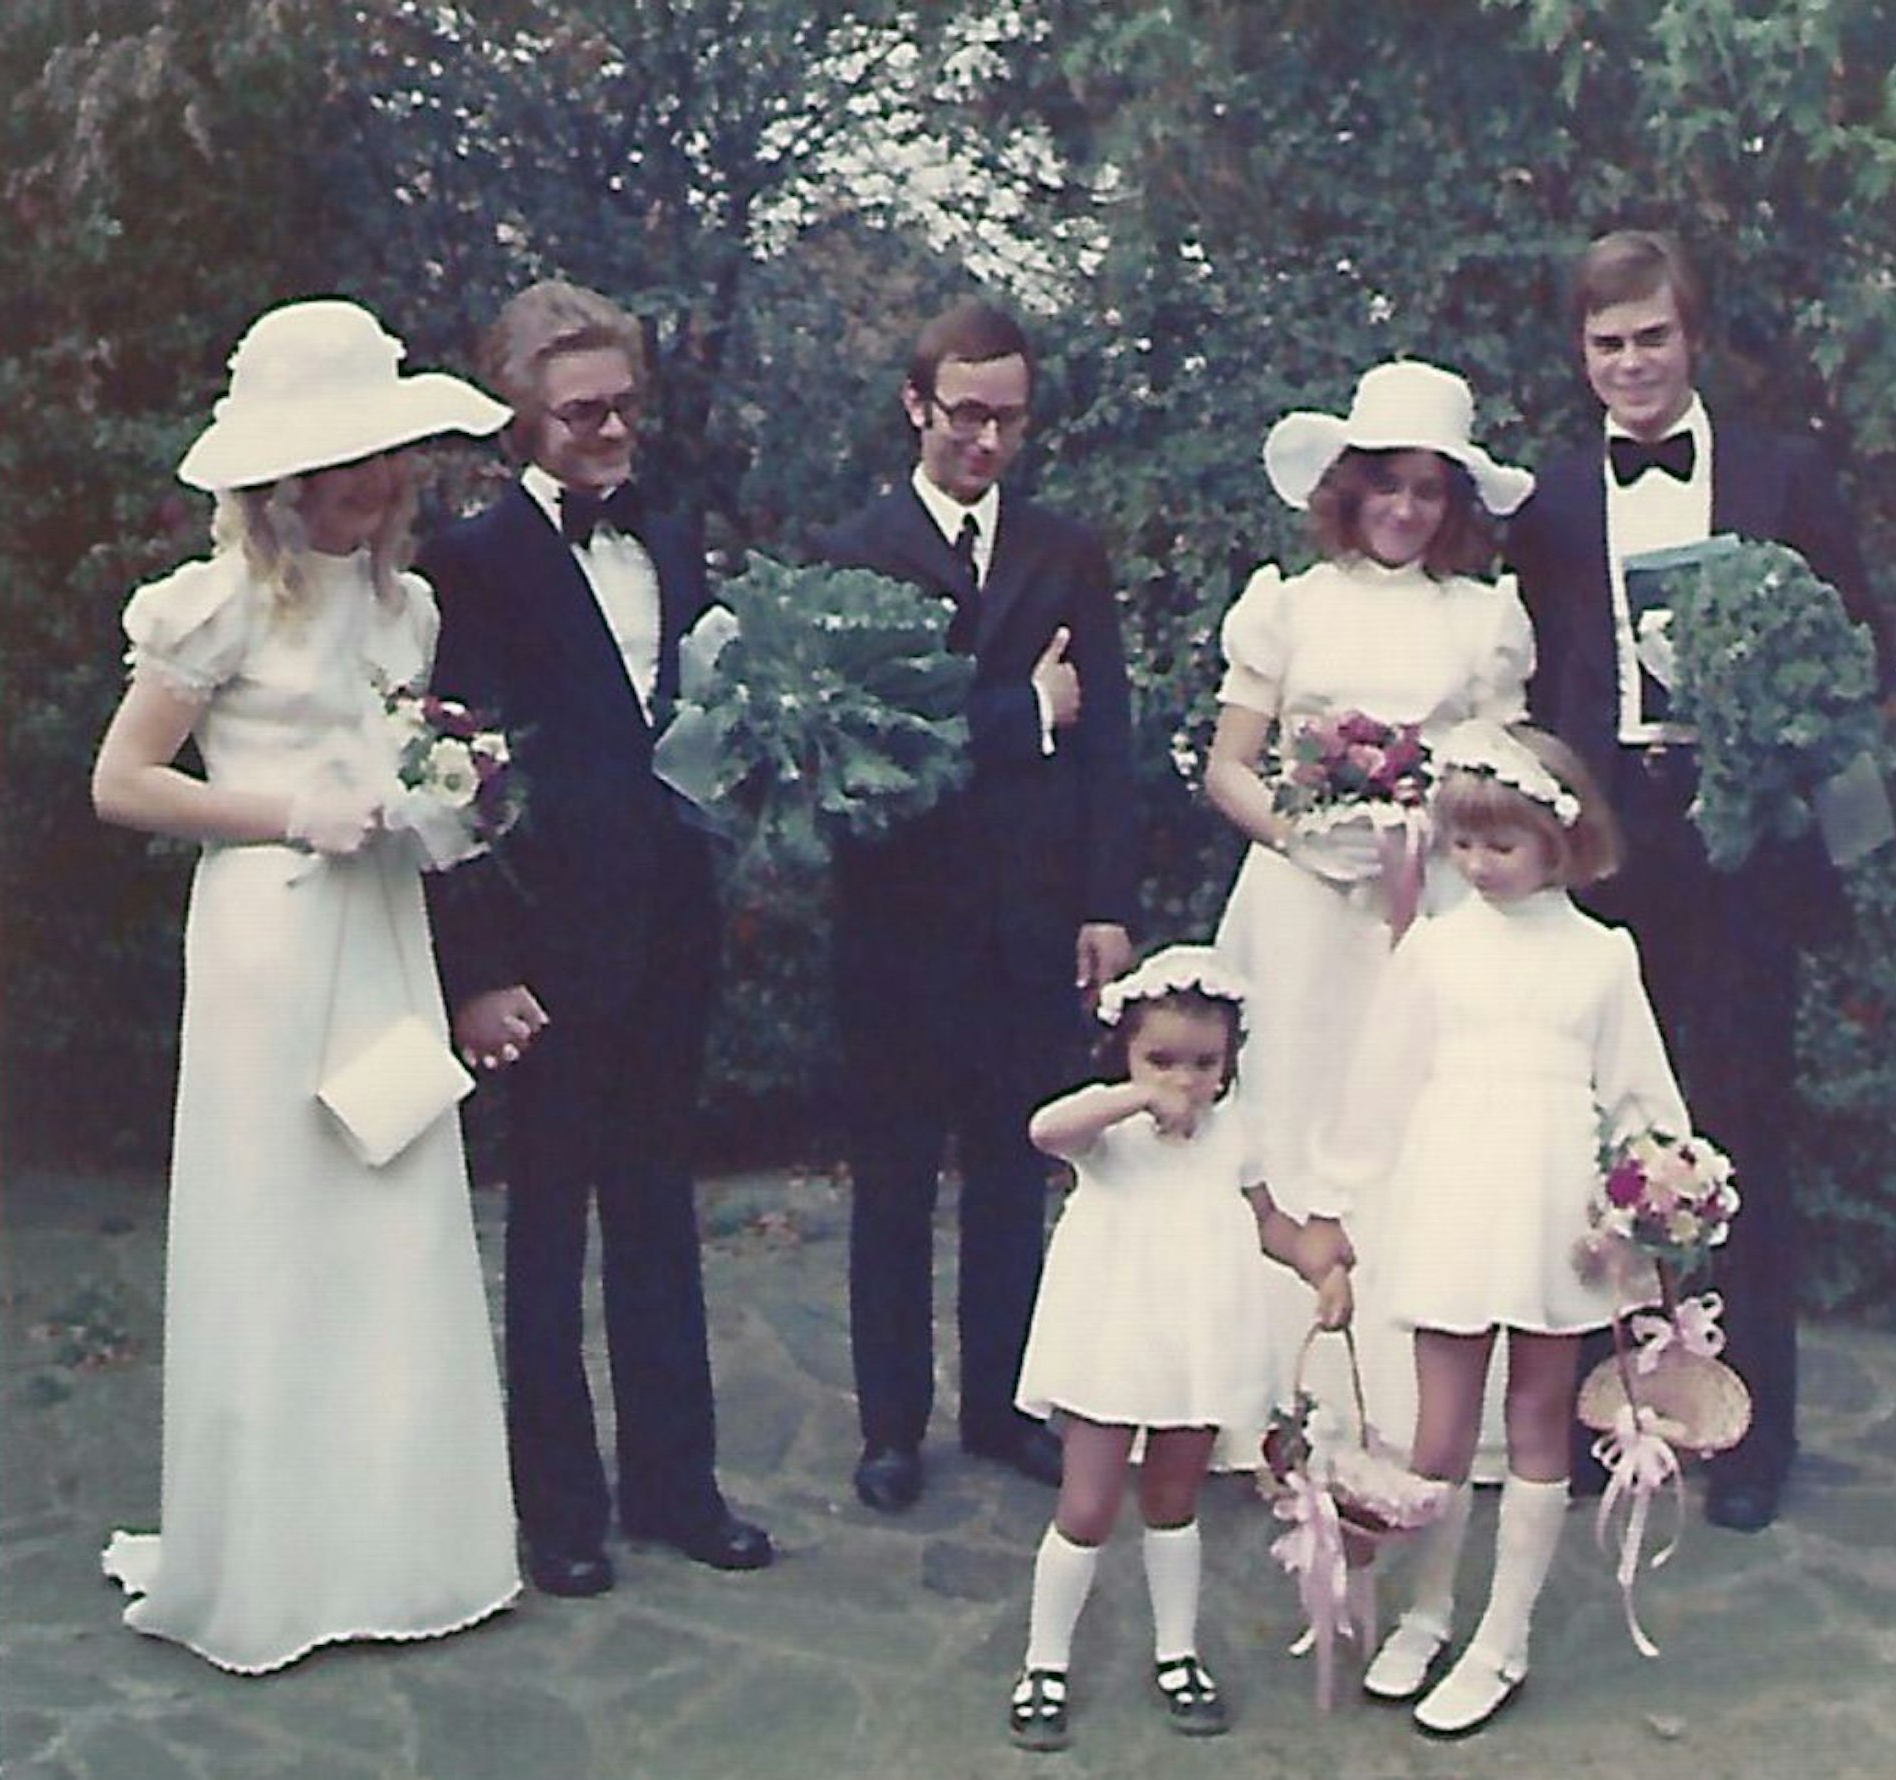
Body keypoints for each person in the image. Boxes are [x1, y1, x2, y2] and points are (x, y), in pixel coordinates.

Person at [90, 298, 521, 1672]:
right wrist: (287, 813)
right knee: (282, 1219)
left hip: (383, 929)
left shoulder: (412, 608)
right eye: (348, 468)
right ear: (280, 479)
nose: (376, 490)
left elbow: (401, 763)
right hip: (272, 940)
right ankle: (270, 1558)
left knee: (390, 1209)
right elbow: (122, 784)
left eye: (387, 463)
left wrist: (446, 799)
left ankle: (402, 1547)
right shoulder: (209, 606)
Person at [1506, 229, 1889, 1532]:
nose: (1630, 365)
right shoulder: (1554, 502)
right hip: (1605, 851)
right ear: (1582, 355)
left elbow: (1856, 653)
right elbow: (1535, 677)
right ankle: (1607, 1416)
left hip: (1742, 854)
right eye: (1606, 345)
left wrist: (1804, 778)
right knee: (1597, 1133)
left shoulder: (1785, 476)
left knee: (1738, 1137)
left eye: (1651, 338)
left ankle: (1756, 1430)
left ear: (1693, 337)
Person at [419, 279, 771, 1597]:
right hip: (543, 946)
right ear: (521, 422)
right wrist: (481, 969)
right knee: (550, 1226)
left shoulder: (673, 539)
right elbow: (440, 781)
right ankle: (557, 1508)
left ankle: (680, 1486)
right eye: (581, 415)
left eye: (625, 406)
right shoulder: (469, 566)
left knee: (659, 1213)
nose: (612, 432)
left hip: (670, 926)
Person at [817, 299, 1140, 1513]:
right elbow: (864, 740)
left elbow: (1104, 736)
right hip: (897, 915)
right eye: (966, 416)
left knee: (1015, 1172)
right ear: (916, 406)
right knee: (895, 1176)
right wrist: (1018, 714)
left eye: (1009, 418)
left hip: (1029, 910)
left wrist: (1105, 904)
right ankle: (890, 1426)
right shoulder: (853, 552)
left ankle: (1002, 1404)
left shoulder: (1066, 552)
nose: (988, 442)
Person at [1307, 723, 1687, 1737]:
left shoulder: (1601, 957)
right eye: (1461, 845)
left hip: (1553, 1208)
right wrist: (1336, 1204)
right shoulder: (1435, 946)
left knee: (1533, 1415)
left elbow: (1641, 1096)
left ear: (1558, 842)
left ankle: (1499, 1633)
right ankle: (1429, 1608)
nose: (1475, 865)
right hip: (1452, 1192)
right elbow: (1381, 1079)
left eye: (1500, 847)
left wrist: (1649, 1191)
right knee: (1436, 1431)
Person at [1203, 359, 1535, 1461]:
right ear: (1346, 487)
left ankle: (1407, 1409)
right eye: (1384, 484)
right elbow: (1229, 769)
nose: (1402, 509)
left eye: (1426, 491)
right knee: (1290, 1115)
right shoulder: (1288, 604)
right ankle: (1274, 1396)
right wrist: (1303, 831)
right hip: (1300, 906)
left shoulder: (1480, 619)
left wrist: (1425, 825)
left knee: (1408, 1123)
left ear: (1451, 507)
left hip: (1426, 905)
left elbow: (1502, 777)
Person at [1004, 947, 1350, 1752]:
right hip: (1117, 1335)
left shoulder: (1234, 1134)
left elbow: (1270, 1224)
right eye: (1160, 1058)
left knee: (1173, 1500)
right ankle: (1043, 1663)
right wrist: (1134, 1098)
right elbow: (1043, 1130)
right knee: (1086, 1506)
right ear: (1123, 1053)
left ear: (1228, 1063)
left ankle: (1178, 1653)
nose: (1182, 1079)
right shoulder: (1108, 1128)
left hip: (1198, 1337)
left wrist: (1321, 1267)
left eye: (1203, 1063)